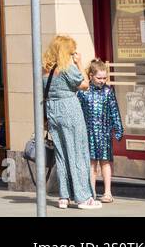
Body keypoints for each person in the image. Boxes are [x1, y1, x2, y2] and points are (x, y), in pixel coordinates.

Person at [43, 36, 101, 209]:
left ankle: (64, 196)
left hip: (52, 110)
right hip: (69, 109)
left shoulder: (44, 70)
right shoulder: (67, 67)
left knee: (61, 155)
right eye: (72, 51)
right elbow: (85, 84)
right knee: (78, 152)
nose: (74, 53)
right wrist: (79, 63)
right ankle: (83, 197)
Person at [79, 59, 124, 203]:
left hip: (104, 132)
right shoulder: (83, 92)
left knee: (105, 162)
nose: (102, 81)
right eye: (99, 78)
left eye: (105, 78)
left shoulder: (108, 92)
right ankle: (91, 193)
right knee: (91, 163)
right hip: (89, 132)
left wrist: (118, 128)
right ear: (91, 76)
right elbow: (78, 112)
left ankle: (107, 192)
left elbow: (114, 111)